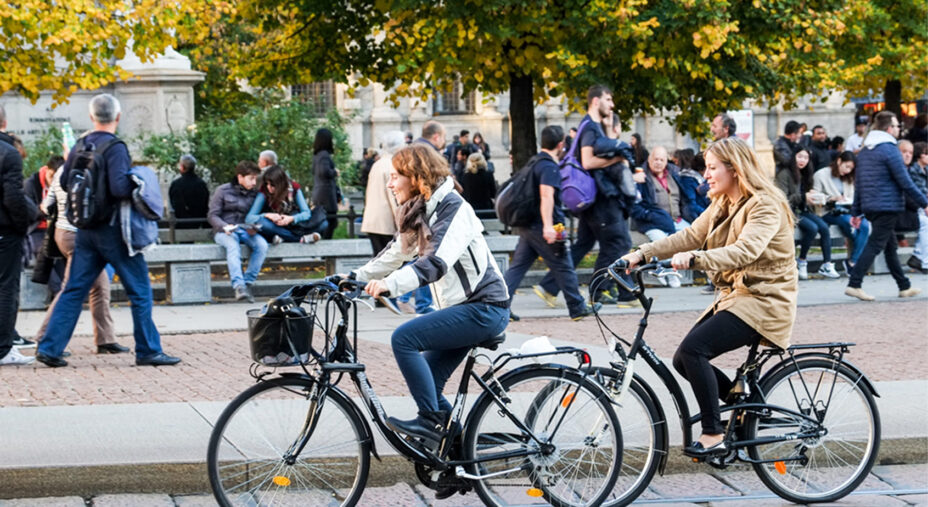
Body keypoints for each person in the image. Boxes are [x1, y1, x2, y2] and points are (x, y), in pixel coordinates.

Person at [620, 137, 798, 458]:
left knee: (694, 350)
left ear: (735, 169)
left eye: (713, 168)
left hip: (765, 300)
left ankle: (713, 433)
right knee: (683, 360)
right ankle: (747, 408)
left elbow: (745, 251)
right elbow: (690, 235)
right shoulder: (723, 202)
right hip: (738, 297)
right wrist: (641, 254)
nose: (706, 175)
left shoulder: (764, 205)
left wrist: (696, 259)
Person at [352, 143, 509, 448]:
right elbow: (396, 252)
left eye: (395, 176)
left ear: (416, 176)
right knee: (430, 386)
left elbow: (434, 263)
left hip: (484, 308)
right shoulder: (423, 209)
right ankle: (460, 451)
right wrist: (352, 278)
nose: (390, 183)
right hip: (465, 308)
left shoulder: (453, 208)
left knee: (404, 339)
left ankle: (429, 422)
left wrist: (388, 285)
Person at [35, 94, 180, 367]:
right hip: (114, 231)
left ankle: (50, 348)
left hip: (85, 229)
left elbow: (64, 183)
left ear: (92, 117)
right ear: (118, 117)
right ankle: (148, 350)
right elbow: (119, 188)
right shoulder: (115, 147)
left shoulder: (80, 145)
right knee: (140, 290)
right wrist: (137, 181)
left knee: (74, 289)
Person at [537, 85, 635, 307]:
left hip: (590, 198)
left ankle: (549, 286)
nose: (612, 105)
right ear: (595, 101)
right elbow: (588, 161)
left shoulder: (592, 126)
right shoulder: (590, 127)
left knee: (584, 243)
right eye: (608, 99)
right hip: (597, 198)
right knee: (618, 242)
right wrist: (617, 159)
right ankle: (606, 291)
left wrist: (609, 132)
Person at [503, 126, 596, 321]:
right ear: (561, 144)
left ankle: (499, 307)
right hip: (544, 225)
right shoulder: (548, 167)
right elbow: (546, 196)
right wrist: (548, 226)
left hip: (529, 225)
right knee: (563, 265)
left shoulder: (534, 162)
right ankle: (577, 307)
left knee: (518, 268)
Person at [35, 151, 124, 354]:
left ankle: (105, 339)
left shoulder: (61, 172)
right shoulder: (86, 172)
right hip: (78, 235)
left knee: (100, 286)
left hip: (63, 233)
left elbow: (46, 206)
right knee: (70, 289)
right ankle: (45, 338)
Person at [846, 111, 928, 301]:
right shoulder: (890, 149)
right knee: (875, 244)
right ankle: (854, 283)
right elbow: (905, 181)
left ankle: (904, 286)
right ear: (889, 128)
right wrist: (924, 203)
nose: (899, 129)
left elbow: (859, 183)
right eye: (897, 125)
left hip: (871, 205)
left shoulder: (865, 150)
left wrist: (856, 211)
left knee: (890, 247)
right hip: (887, 205)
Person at [0, 104, 39, 366]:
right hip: (4, 231)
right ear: (4, 121)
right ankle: (3, 349)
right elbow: (13, 196)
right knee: (6, 288)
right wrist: (21, 224)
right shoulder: (8, 153)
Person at [775, 148, 840, 279]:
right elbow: (783, 199)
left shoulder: (806, 173)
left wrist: (818, 198)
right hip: (789, 212)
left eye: (806, 158)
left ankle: (827, 264)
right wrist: (804, 197)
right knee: (812, 228)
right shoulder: (784, 173)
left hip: (802, 210)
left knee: (824, 227)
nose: (802, 160)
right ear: (793, 157)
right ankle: (802, 261)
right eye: (800, 156)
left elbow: (806, 197)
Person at [209, 160, 268, 303]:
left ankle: (247, 283)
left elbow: (258, 215)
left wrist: (254, 227)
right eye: (251, 178)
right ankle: (239, 286)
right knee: (233, 246)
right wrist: (224, 226)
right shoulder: (223, 191)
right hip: (224, 231)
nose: (254, 182)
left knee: (262, 245)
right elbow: (212, 215)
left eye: (255, 178)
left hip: (246, 230)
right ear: (240, 177)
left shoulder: (255, 194)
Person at [812, 151, 871, 271]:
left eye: (851, 168)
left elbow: (852, 196)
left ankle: (852, 262)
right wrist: (831, 198)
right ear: (839, 161)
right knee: (851, 224)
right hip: (828, 211)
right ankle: (855, 263)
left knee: (865, 225)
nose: (848, 171)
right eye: (846, 166)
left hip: (847, 209)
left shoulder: (848, 177)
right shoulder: (821, 174)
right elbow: (814, 196)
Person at [246, 165, 324, 244]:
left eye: (272, 185)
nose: (268, 187)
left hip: (294, 225)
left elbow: (306, 213)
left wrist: (292, 218)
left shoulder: (294, 188)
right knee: (262, 223)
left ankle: (284, 237)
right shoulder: (264, 190)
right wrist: (267, 215)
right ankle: (299, 239)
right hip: (275, 226)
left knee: (324, 224)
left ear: (280, 184)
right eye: (267, 184)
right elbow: (249, 218)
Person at [24, 155, 66, 300]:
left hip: (54, 227)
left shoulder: (62, 183)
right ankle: (59, 293)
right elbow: (27, 212)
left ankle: (63, 290)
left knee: (61, 255)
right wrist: (42, 210)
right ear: (47, 170)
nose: (53, 180)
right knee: (44, 251)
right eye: (51, 176)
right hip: (36, 228)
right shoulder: (31, 184)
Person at [362, 131, 405, 255]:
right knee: (389, 260)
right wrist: (402, 223)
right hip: (386, 222)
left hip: (373, 220)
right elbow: (394, 196)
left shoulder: (377, 164)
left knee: (379, 258)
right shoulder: (392, 165)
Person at [311, 128, 340, 239]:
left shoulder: (317, 155)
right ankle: (325, 245)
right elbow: (324, 172)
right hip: (326, 194)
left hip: (320, 193)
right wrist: (335, 172)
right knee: (330, 221)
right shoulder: (324, 155)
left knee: (326, 221)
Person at [168, 154, 210, 229]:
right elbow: (205, 205)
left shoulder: (176, 184)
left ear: (182, 167)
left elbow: (174, 205)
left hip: (181, 224)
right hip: (199, 223)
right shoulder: (201, 184)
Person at [906, 142, 928, 273]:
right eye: (926, 154)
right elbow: (919, 193)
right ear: (920, 156)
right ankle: (923, 260)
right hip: (916, 207)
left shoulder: (926, 170)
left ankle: (918, 255)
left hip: (923, 206)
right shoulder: (913, 170)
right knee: (926, 223)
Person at [674, 148, 710, 223]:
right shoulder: (687, 179)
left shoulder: (700, 178)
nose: (708, 174)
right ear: (702, 169)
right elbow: (691, 205)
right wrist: (709, 214)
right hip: (696, 217)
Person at [459, 151, 496, 217]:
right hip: (486, 209)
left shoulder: (465, 176)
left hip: (470, 210)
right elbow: (493, 194)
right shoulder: (488, 175)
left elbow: (463, 194)